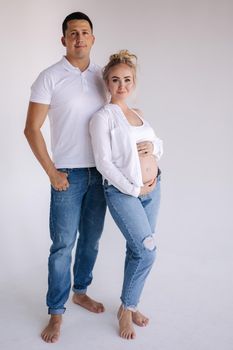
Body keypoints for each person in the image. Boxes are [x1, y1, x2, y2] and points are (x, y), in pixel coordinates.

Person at [24, 12, 107, 343]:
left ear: (92, 38)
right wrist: (51, 172)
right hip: (68, 175)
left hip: (101, 173)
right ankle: (56, 312)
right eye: (72, 33)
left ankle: (81, 291)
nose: (79, 38)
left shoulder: (105, 77)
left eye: (85, 32)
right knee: (62, 246)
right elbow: (31, 129)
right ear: (64, 40)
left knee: (90, 240)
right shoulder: (49, 77)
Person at [89, 50, 163, 340]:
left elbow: (158, 144)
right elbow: (103, 163)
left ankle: (129, 307)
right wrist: (135, 188)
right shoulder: (103, 117)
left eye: (127, 80)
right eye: (116, 80)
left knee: (139, 250)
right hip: (125, 193)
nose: (122, 85)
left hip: (154, 190)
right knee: (147, 250)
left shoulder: (138, 114)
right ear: (107, 82)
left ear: (134, 83)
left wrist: (153, 151)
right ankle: (126, 309)